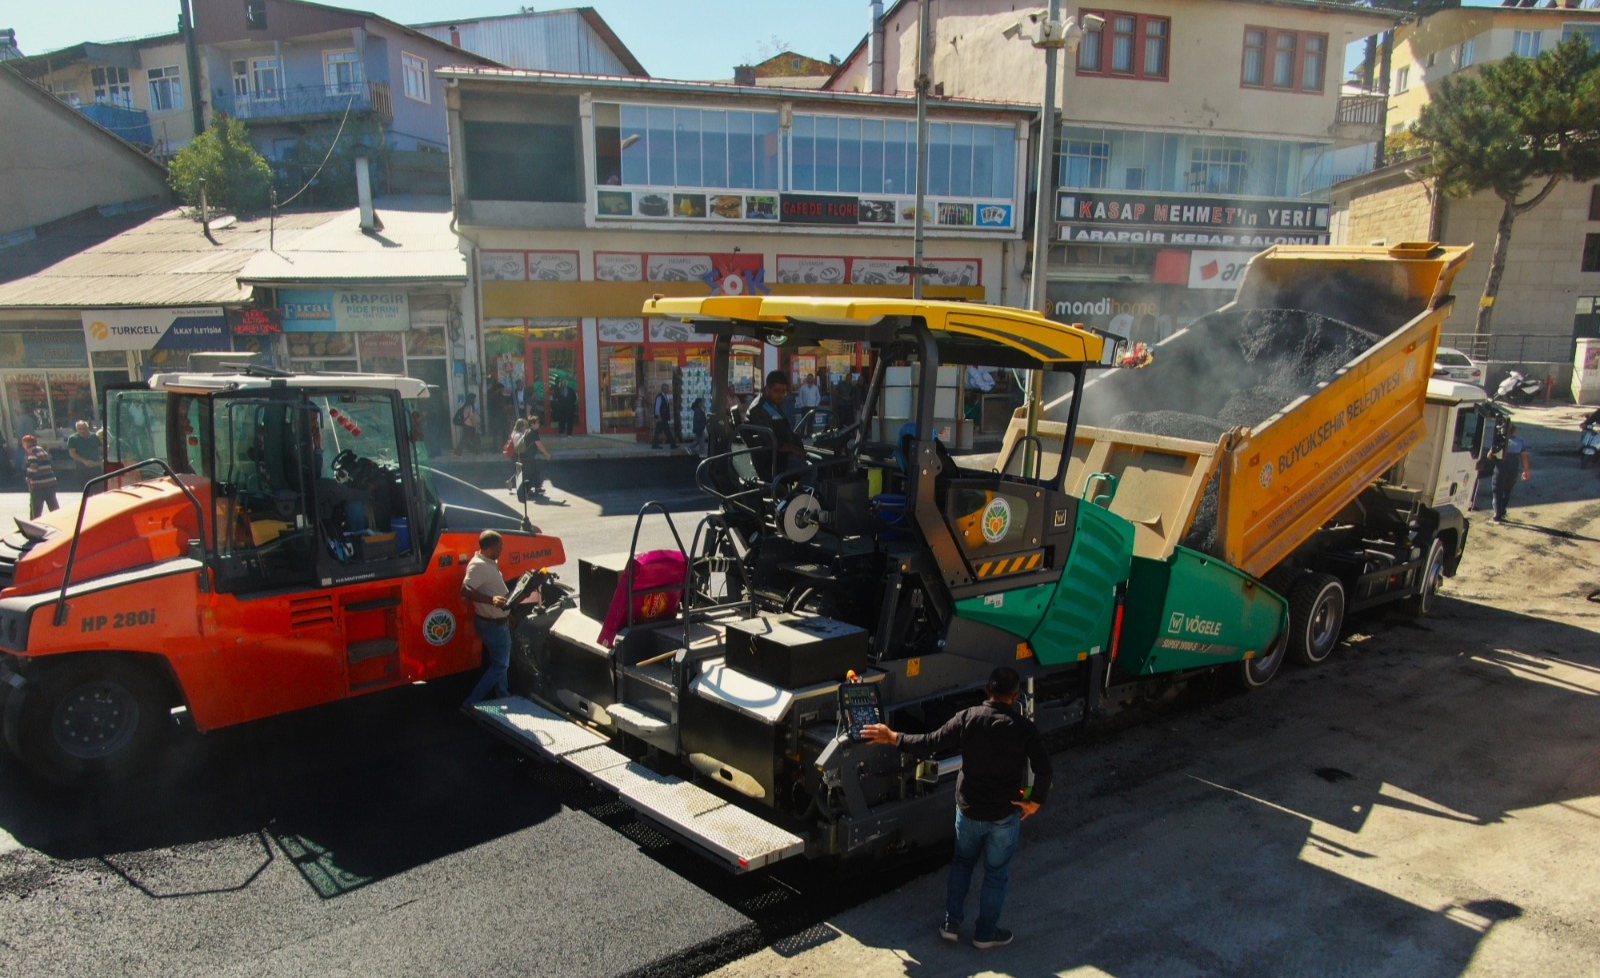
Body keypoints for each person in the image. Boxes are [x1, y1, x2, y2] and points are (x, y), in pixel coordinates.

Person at [861, 667, 1052, 950]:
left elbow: (928, 743)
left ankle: (951, 923)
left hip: (969, 810)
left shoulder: (968, 718)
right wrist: (1034, 802)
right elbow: (1044, 769)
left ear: (987, 690)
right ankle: (985, 934)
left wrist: (892, 737)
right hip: (1004, 814)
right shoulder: (1025, 729)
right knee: (996, 873)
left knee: (962, 864)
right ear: (1015, 696)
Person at [461, 530, 514, 707]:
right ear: (492, 547)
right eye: (501, 545)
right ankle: (471, 702)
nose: (503, 548)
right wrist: (491, 601)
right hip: (492, 625)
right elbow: (465, 590)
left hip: (497, 622)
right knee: (500, 665)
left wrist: (508, 614)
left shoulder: (488, 562)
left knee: (500, 662)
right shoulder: (479, 566)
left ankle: (503, 695)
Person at [741, 370, 807, 480]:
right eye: (776, 391)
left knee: (821, 460)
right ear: (767, 389)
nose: (780, 395)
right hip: (772, 461)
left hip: (781, 456)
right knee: (812, 470)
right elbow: (770, 441)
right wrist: (795, 449)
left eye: (783, 392)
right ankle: (805, 496)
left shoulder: (773, 404)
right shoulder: (759, 409)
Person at [1489, 422, 1531, 524]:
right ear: (1514, 432)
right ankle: (1502, 511)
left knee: (1497, 491)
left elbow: (1489, 455)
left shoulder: (1501, 442)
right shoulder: (1520, 442)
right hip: (1513, 469)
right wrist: (1526, 471)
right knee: (1507, 491)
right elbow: (1524, 458)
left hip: (1501, 469)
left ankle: (1497, 514)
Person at [21, 434, 59, 520]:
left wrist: (28, 476)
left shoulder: (31, 452)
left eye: (23, 443)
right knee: (52, 504)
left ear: (26, 443)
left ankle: (34, 524)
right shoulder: (41, 450)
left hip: (39, 483)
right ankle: (60, 519)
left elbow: (33, 467)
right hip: (50, 481)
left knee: (35, 506)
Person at [517, 414, 554, 502]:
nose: (539, 424)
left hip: (526, 456)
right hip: (528, 458)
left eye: (539, 423)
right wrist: (547, 454)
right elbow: (539, 445)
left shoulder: (528, 431)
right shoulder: (533, 432)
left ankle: (529, 491)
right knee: (529, 474)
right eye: (537, 423)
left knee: (532, 472)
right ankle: (524, 493)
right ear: (532, 424)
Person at [66, 419, 102, 484]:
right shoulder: (73, 439)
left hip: (96, 467)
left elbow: (101, 449)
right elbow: (72, 453)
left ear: (87, 428)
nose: (82, 431)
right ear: (77, 429)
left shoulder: (94, 436)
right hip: (82, 468)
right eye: (80, 429)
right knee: (86, 489)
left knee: (99, 489)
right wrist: (84, 461)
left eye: (84, 428)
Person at [651, 383, 678, 450]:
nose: (668, 390)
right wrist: (658, 416)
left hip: (664, 417)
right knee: (667, 431)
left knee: (658, 431)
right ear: (663, 389)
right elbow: (657, 407)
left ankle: (655, 444)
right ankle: (672, 445)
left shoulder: (665, 396)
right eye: (667, 388)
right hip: (662, 417)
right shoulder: (660, 397)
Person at [504, 418, 528, 490]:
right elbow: (521, 446)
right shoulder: (520, 435)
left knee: (519, 471)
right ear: (522, 426)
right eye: (525, 426)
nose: (526, 427)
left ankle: (511, 482)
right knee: (521, 471)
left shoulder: (515, 434)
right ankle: (513, 483)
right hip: (518, 455)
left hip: (516, 455)